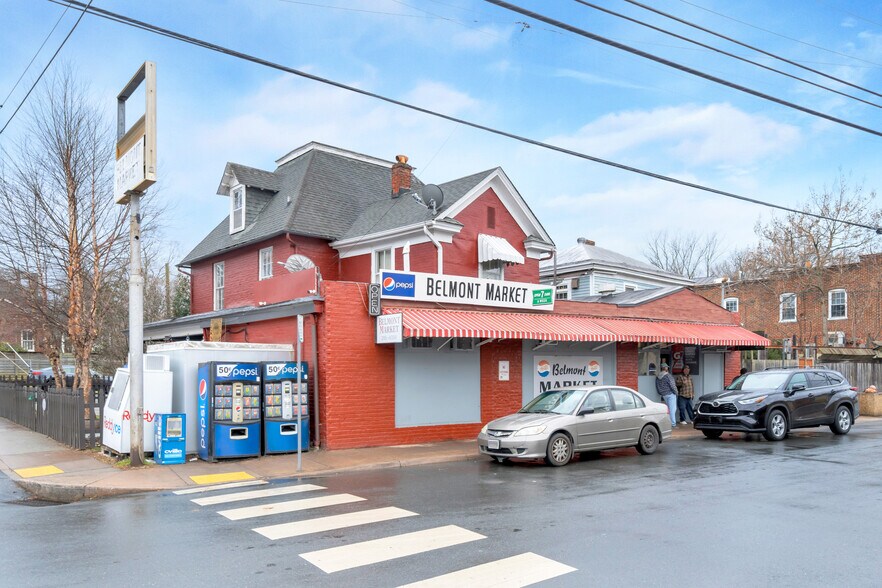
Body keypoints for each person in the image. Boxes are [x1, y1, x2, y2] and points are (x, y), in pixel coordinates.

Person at [655, 363, 678, 427]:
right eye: (667, 367)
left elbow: (657, 386)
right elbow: (672, 385)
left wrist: (661, 393)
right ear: (665, 368)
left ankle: (669, 423)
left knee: (669, 409)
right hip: (671, 394)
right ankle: (673, 424)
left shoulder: (658, 376)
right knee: (672, 410)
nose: (667, 368)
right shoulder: (668, 376)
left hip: (664, 395)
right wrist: (676, 393)